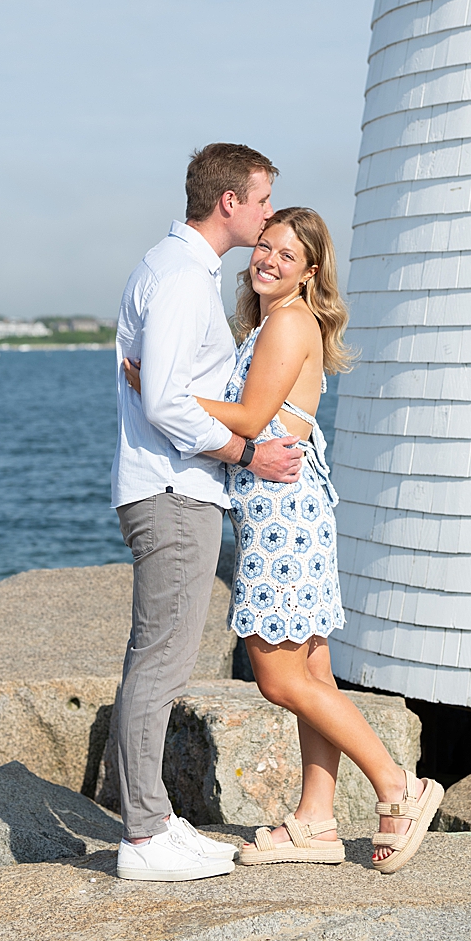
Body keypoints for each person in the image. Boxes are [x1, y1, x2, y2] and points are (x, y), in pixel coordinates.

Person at [125, 207, 443, 872]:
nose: (266, 259)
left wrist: (160, 386)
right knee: (313, 671)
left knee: (277, 675)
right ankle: (317, 820)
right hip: (291, 510)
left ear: (310, 270)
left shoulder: (290, 321)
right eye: (263, 246)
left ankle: (397, 785)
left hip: (283, 516)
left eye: (285, 255)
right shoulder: (277, 321)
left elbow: (247, 417)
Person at [109, 142, 305, 882]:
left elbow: (160, 384)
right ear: (228, 202)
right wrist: (246, 453)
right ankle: (144, 837)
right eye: (261, 201)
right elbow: (163, 400)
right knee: (160, 666)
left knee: (153, 661)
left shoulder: (175, 271)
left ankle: (152, 819)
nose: (266, 215)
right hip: (173, 492)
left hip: (170, 488)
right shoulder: (184, 278)